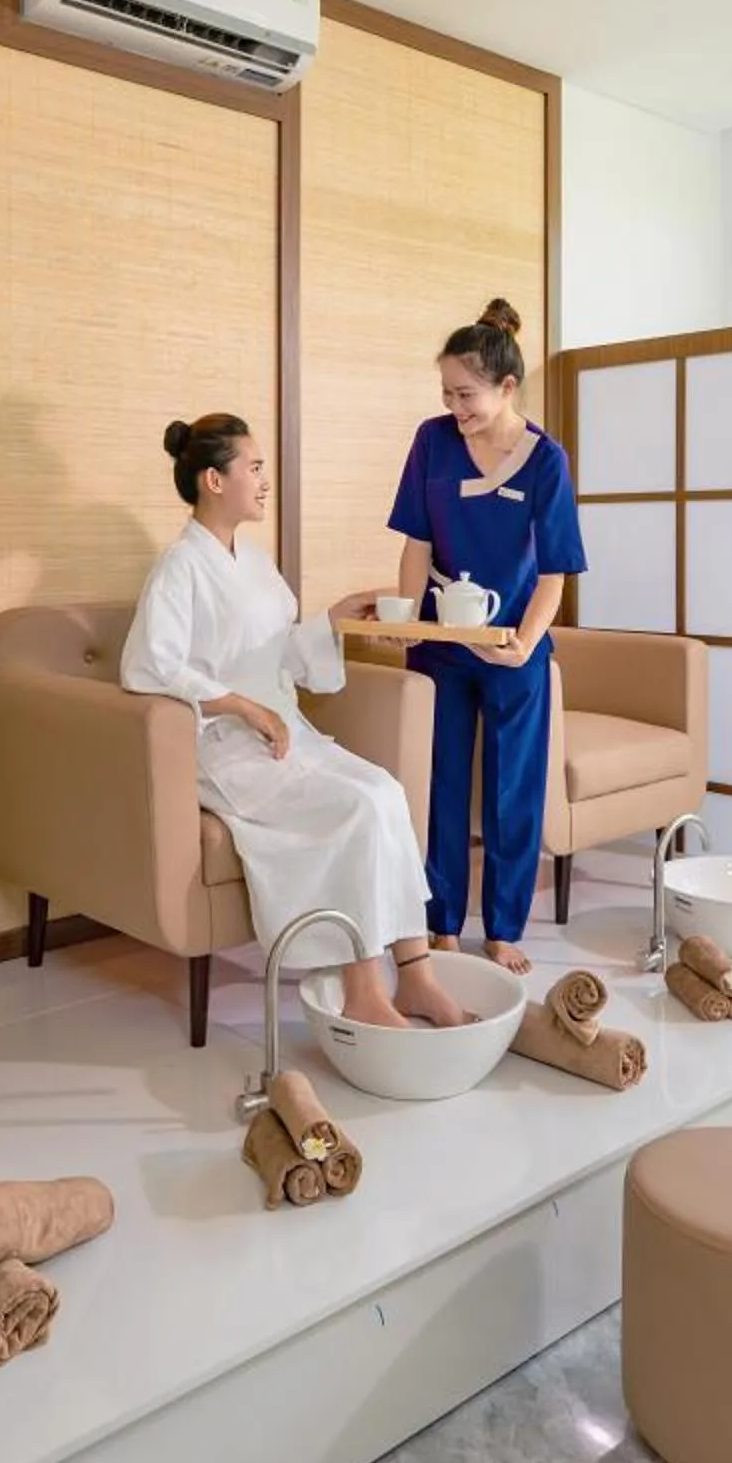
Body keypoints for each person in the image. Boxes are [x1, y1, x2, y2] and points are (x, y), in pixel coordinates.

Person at [121, 414, 468, 1029]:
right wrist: (241, 705)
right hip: (220, 746)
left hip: (280, 731)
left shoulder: (253, 561)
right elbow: (150, 667)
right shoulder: (179, 567)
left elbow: (277, 650)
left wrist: (331, 621)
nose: (263, 480)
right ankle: (364, 991)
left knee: (385, 792)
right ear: (213, 479)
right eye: (253, 468)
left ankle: (415, 975)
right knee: (355, 808)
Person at [388, 301, 586, 974]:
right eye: (446, 393)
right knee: (439, 781)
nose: (454, 406)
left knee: (512, 789)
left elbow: (558, 571)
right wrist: (405, 622)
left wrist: (528, 643)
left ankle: (503, 929)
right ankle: (441, 923)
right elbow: (417, 543)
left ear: (507, 388)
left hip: (512, 646)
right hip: (440, 645)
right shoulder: (432, 440)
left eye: (465, 394)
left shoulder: (546, 461)